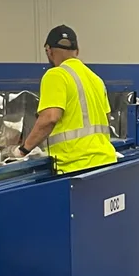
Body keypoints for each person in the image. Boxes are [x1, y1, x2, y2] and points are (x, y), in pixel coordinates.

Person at [15, 26, 119, 173]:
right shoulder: (95, 79)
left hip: (76, 165)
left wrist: (23, 150)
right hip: (106, 161)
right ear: (77, 51)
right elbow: (106, 117)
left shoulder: (56, 75)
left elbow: (50, 118)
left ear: (48, 50)